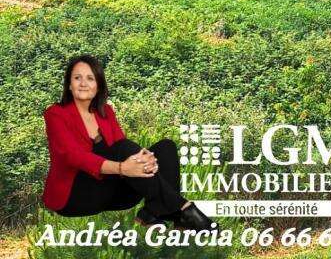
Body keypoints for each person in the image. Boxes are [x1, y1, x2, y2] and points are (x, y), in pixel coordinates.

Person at [42, 54, 216, 230]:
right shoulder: (56, 114)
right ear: (69, 85)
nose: (83, 83)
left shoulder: (105, 111)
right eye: (77, 78)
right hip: (75, 198)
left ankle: (154, 213)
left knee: (166, 147)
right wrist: (121, 168)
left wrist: (147, 160)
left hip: (113, 194)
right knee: (124, 147)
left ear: (98, 85)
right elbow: (73, 156)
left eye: (90, 78)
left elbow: (122, 147)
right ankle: (184, 209)